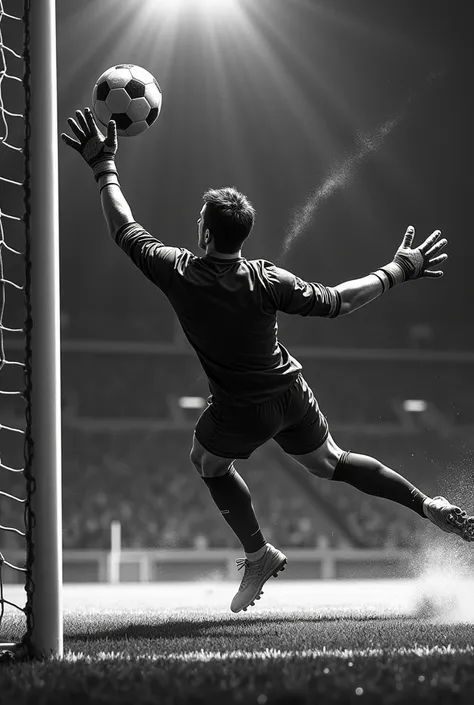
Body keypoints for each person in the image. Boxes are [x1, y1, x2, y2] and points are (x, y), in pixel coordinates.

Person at [62, 110, 474, 613]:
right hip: (290, 392)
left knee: (207, 462)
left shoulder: (179, 271)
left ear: (206, 234)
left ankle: (257, 554)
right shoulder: (265, 277)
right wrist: (395, 270)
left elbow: (122, 227)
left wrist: (104, 167)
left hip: (241, 407)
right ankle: (425, 503)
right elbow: (338, 299)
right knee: (332, 462)